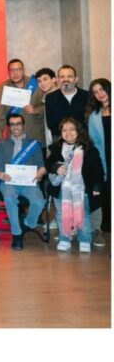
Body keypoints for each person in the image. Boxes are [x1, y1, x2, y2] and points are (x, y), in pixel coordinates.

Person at [0, 113, 47, 250]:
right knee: (9, 198)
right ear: (8, 127)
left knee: (39, 202)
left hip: (29, 183)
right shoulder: (1, 144)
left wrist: (41, 171)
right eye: (12, 124)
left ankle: (27, 224)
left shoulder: (34, 144)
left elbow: (41, 164)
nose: (16, 127)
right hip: (7, 182)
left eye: (18, 124)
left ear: (24, 125)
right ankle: (16, 234)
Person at [46, 117, 104, 253]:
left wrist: (96, 186)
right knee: (61, 214)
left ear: (79, 131)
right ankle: (64, 238)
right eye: (64, 130)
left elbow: (98, 170)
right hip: (61, 188)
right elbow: (48, 164)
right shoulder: (56, 148)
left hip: (82, 189)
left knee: (83, 214)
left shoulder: (89, 149)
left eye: (72, 129)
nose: (68, 133)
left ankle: (84, 239)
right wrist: (56, 168)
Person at [0, 59, 46, 147]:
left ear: (23, 70)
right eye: (12, 70)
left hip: (35, 136)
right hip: (14, 139)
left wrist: (36, 110)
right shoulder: (2, 88)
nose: (15, 73)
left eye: (18, 69)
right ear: (8, 72)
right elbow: (1, 115)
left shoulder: (36, 83)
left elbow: (48, 106)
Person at [86, 78, 110, 246]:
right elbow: (94, 141)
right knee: (107, 189)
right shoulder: (94, 116)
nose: (100, 94)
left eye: (102, 89)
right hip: (105, 156)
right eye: (95, 92)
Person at [45, 65, 90, 142]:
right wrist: (66, 136)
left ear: (76, 79)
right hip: (60, 140)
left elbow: (90, 122)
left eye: (69, 76)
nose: (66, 79)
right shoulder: (50, 98)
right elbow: (51, 124)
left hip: (84, 140)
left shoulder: (87, 96)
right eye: (62, 77)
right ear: (57, 79)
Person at [35, 68, 58, 149]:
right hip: (48, 141)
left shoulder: (60, 97)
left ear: (54, 79)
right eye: (39, 81)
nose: (42, 83)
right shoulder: (45, 98)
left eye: (45, 79)